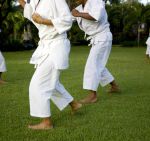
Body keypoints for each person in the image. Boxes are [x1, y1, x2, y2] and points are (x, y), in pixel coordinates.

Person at [18, 0, 82, 130]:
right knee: (52, 83)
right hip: (46, 46)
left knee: (39, 84)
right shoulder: (36, 1)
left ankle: (46, 123)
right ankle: (74, 104)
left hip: (57, 45)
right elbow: (30, 12)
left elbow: (67, 20)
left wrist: (43, 21)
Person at [72, 0, 120, 104]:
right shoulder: (80, 8)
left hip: (103, 36)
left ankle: (92, 96)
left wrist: (78, 14)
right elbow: (68, 19)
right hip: (97, 39)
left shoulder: (96, 1)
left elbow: (96, 16)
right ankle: (114, 86)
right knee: (98, 65)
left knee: (92, 64)